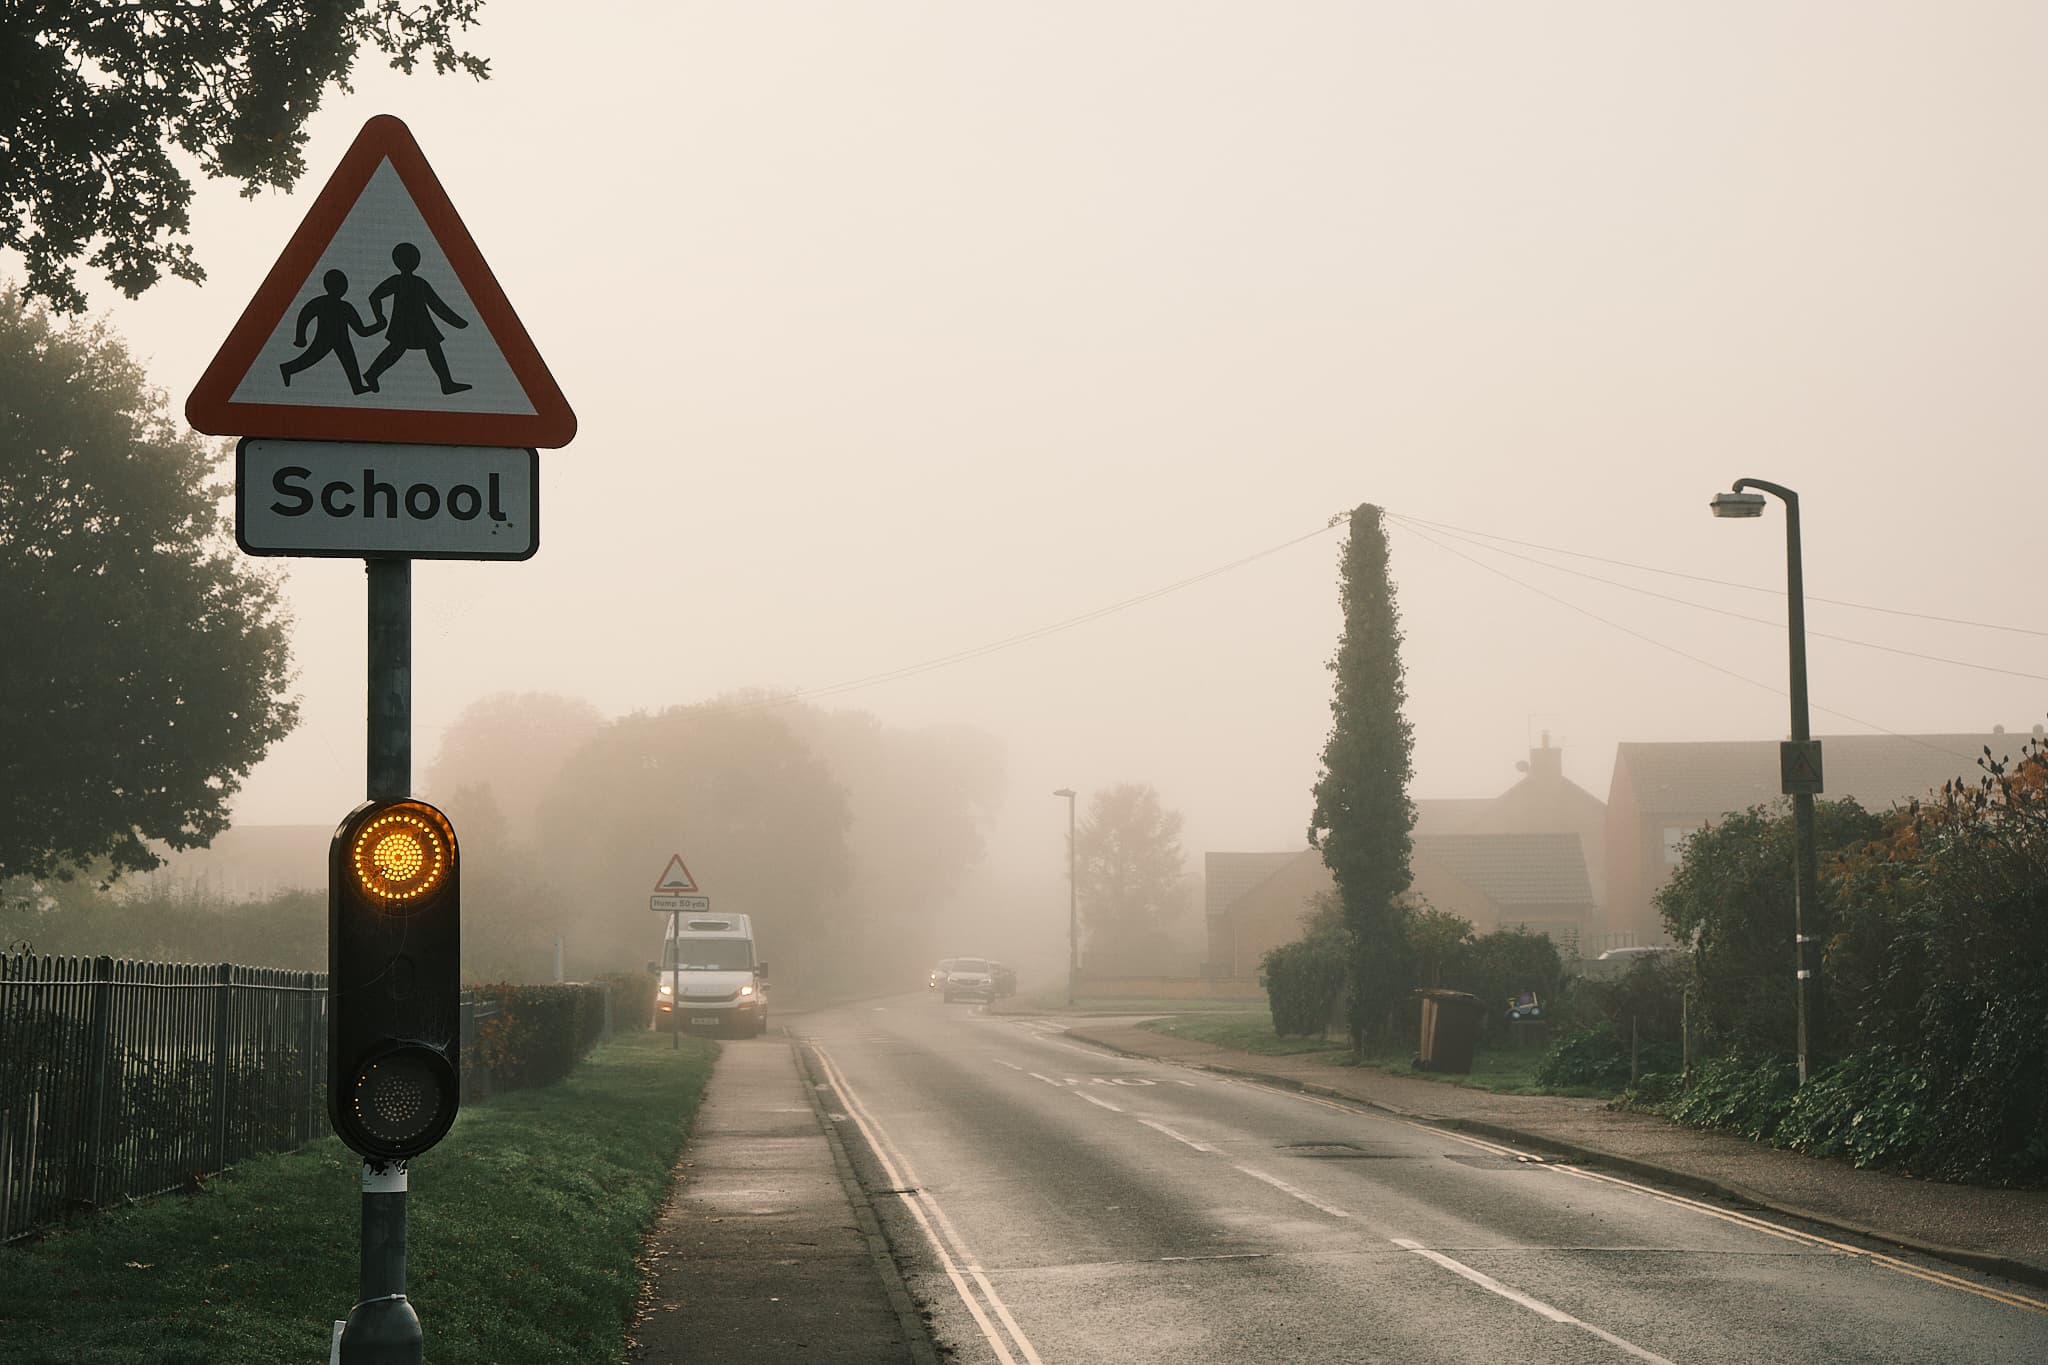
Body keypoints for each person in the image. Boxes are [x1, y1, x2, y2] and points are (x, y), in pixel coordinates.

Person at [363, 242, 472, 394]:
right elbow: (374, 297)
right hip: (411, 325)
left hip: (418, 325)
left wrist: (457, 322)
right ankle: (372, 374)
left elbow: (437, 305)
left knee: (420, 348)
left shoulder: (414, 282)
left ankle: (446, 383)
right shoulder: (406, 281)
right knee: (402, 349)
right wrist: (379, 317)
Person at [280, 269, 382, 392]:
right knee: (309, 359)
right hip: (325, 339)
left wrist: (378, 326)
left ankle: (357, 386)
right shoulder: (324, 304)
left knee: (350, 361)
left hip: (342, 341)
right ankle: (287, 368)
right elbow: (305, 316)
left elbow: (361, 331)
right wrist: (300, 338)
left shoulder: (344, 307)